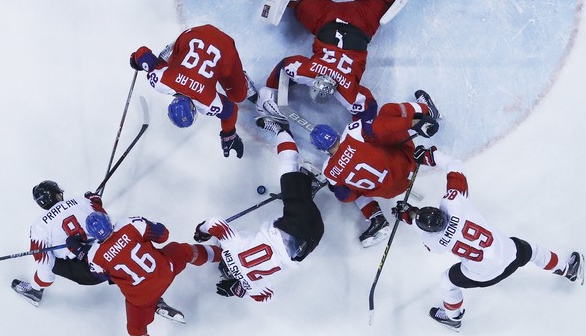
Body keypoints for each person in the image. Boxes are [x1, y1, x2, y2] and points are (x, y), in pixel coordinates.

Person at [255, 0, 441, 117]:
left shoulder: (347, 91)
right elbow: (286, 66)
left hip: (360, 23)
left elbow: (368, 107)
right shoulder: (308, 72)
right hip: (326, 18)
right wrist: (271, 91)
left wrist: (272, 92)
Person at [393, 166, 585, 332]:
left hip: (483, 276)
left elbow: (425, 233)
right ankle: (567, 269)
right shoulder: (456, 205)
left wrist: (408, 215)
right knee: (533, 251)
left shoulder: (433, 241)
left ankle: (453, 318)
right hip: (511, 255)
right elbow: (455, 170)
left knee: (447, 281)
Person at [192, 110, 325, 302]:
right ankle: (282, 129)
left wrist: (241, 288)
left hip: (312, 239)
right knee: (287, 169)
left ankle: (307, 186)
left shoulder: (252, 286)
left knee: (298, 204)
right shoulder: (231, 248)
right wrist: (202, 231)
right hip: (295, 223)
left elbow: (266, 297)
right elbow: (215, 223)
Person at [83, 210, 222, 336]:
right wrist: (147, 229)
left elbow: (102, 277)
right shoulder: (129, 225)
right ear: (109, 221)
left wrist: (81, 251)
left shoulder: (94, 256)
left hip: (140, 297)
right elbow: (163, 234)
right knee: (183, 251)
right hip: (164, 271)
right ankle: (223, 254)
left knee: (136, 331)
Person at [10, 180, 185, 323]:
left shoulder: (38, 227)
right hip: (110, 258)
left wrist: (39, 284)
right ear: (57, 194)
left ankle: (34, 292)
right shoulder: (82, 201)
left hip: (87, 272)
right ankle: (156, 301)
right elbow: (104, 220)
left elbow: (45, 267)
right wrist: (94, 200)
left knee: (52, 263)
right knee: (120, 259)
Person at [308, 90, 441, 247]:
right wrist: (414, 123)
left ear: (322, 150)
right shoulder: (352, 131)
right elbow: (383, 126)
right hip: (408, 163)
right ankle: (427, 110)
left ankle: (375, 215)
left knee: (347, 189)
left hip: (391, 192)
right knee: (387, 112)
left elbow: (345, 197)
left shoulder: (329, 171)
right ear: (335, 133)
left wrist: (335, 187)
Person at [129, 24, 257, 159]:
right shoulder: (160, 81)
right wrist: (135, 60)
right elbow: (143, 53)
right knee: (163, 61)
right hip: (194, 35)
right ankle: (173, 50)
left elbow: (231, 111)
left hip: (224, 45)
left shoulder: (208, 102)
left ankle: (242, 79)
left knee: (238, 95)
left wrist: (228, 135)